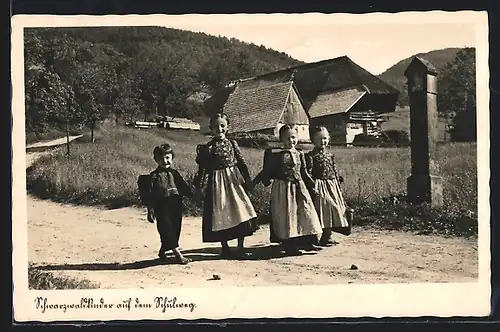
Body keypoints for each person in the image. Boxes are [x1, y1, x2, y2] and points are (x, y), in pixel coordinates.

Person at [251, 124, 323, 256]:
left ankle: (307, 241)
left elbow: (304, 172)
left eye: (293, 137)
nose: (291, 141)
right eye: (288, 138)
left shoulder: (300, 153)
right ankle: (289, 244)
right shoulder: (277, 155)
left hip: (299, 187)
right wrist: (254, 182)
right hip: (283, 188)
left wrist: (313, 185)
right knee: (287, 216)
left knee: (305, 213)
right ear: (281, 139)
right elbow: (266, 171)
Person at [193, 112, 258, 259]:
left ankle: (240, 246)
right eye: (216, 126)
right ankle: (225, 248)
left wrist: (247, 179)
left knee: (241, 211)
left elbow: (241, 163)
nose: (219, 129)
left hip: (233, 182)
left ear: (228, 127)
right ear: (210, 128)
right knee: (221, 213)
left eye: (222, 126)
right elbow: (203, 169)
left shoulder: (232, 144)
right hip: (217, 184)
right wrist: (199, 186)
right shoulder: (208, 148)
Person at [305, 126, 352, 246]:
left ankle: (328, 235)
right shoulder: (311, 156)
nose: (323, 141)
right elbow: (308, 172)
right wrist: (312, 185)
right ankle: (316, 237)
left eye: (325, 138)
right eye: (319, 139)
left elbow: (334, 169)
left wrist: (337, 179)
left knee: (334, 209)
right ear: (313, 140)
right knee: (324, 208)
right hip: (319, 185)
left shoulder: (330, 155)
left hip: (332, 185)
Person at [146, 143, 192, 264]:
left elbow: (183, 187)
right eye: (161, 158)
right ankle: (178, 254)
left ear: (172, 158)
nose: (164, 161)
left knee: (175, 229)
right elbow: (149, 195)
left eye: (167, 158)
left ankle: (163, 250)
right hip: (161, 207)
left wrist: (192, 195)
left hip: (175, 204)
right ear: (156, 160)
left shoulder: (175, 174)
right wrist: (150, 210)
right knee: (166, 229)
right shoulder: (154, 176)